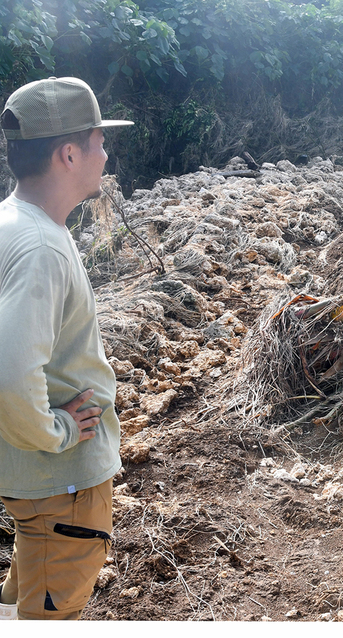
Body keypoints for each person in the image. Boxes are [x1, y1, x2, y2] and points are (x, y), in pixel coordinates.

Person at [0, 77, 133, 620]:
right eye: (100, 141)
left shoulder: (13, 224)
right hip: (63, 485)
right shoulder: (40, 246)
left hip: (34, 483)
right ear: (69, 153)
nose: (106, 154)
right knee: (48, 621)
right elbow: (11, 374)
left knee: (21, 609)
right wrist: (54, 432)